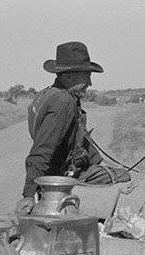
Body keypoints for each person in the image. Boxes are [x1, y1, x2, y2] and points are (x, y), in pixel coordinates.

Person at [16, 41, 107, 215]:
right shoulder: (63, 102)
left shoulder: (56, 93)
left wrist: (100, 162)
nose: (90, 83)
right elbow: (41, 151)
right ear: (68, 77)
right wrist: (28, 194)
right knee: (124, 178)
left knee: (107, 171)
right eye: (86, 76)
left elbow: (78, 140)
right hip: (62, 176)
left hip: (59, 172)